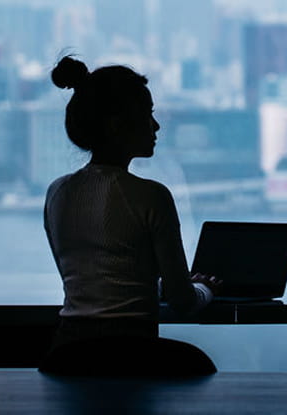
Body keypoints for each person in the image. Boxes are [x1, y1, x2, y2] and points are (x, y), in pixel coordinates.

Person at [41, 55, 221, 371]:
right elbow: (183, 301)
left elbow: (98, 284)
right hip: (134, 356)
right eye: (146, 114)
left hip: (68, 356)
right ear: (116, 125)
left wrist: (156, 285)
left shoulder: (57, 193)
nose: (156, 125)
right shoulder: (152, 196)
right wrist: (205, 289)